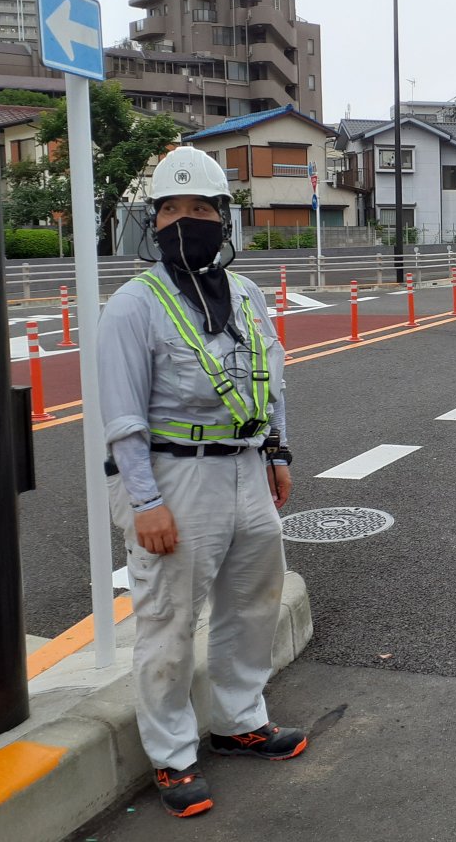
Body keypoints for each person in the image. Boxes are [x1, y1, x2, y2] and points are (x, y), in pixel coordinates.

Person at [97, 146, 304, 819]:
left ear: (224, 218)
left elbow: (271, 380)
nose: (187, 219)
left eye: (202, 208)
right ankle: (172, 755)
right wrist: (145, 501)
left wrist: (278, 455)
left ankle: (239, 718)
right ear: (151, 222)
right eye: (172, 209)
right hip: (173, 476)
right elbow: (123, 417)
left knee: (252, 602)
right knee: (167, 618)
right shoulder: (133, 305)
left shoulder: (244, 295)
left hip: (246, 467)